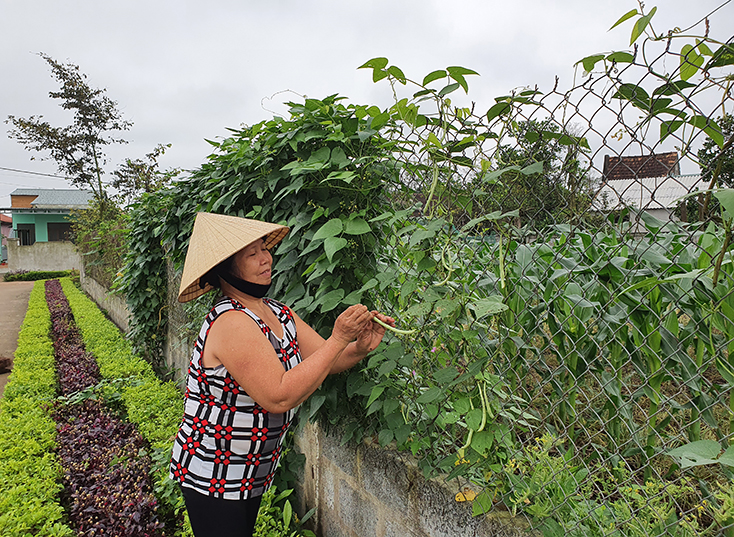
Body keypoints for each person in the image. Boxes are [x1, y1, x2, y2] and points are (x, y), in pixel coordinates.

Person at [170, 212, 394, 537]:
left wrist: (357, 348)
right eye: (252, 254)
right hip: (215, 472)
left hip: (249, 470)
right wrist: (338, 339)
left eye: (265, 248)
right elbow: (279, 395)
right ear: (225, 270)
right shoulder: (230, 321)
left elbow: (325, 359)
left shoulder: (277, 311)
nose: (266, 258)